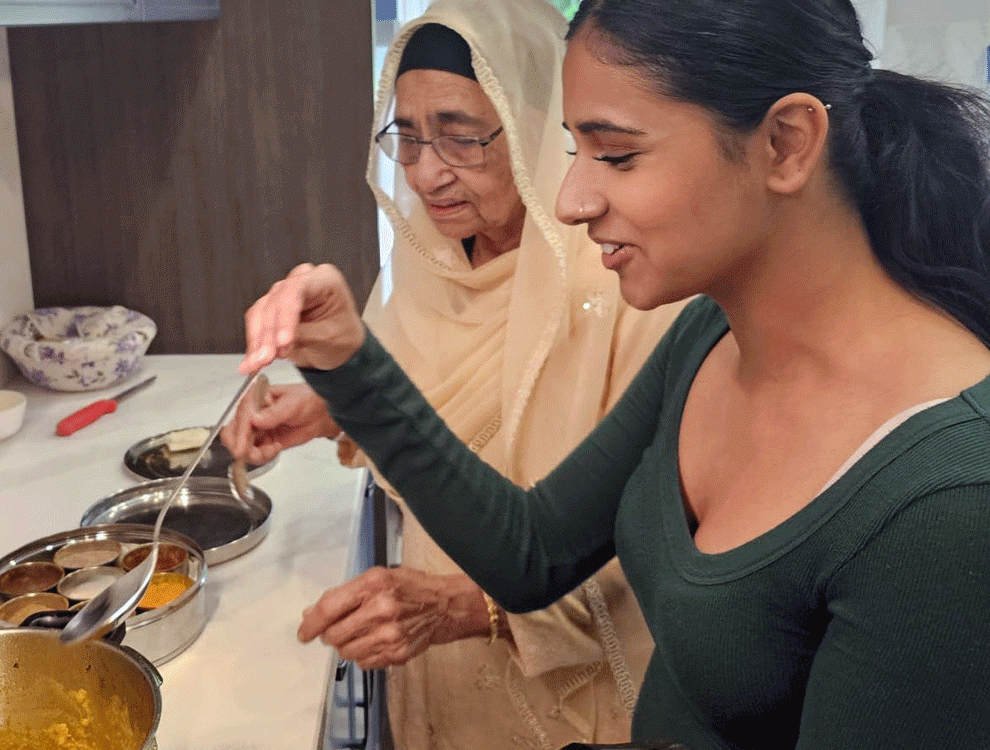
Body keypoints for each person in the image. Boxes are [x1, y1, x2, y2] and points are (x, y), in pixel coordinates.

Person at [237, 0, 990, 748]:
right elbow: (532, 553)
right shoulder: (712, 333)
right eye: (573, 150)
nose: (569, 202)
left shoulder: (945, 503)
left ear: (786, 144)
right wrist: (347, 359)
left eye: (618, 155)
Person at [223, 1, 682, 746]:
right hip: (434, 668)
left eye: (462, 137)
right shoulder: (434, 264)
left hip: (570, 701)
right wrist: (332, 407)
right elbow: (444, 420)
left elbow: (640, 540)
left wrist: (463, 607)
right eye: (407, 138)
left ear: (538, 125)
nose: (429, 172)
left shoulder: (619, 289)